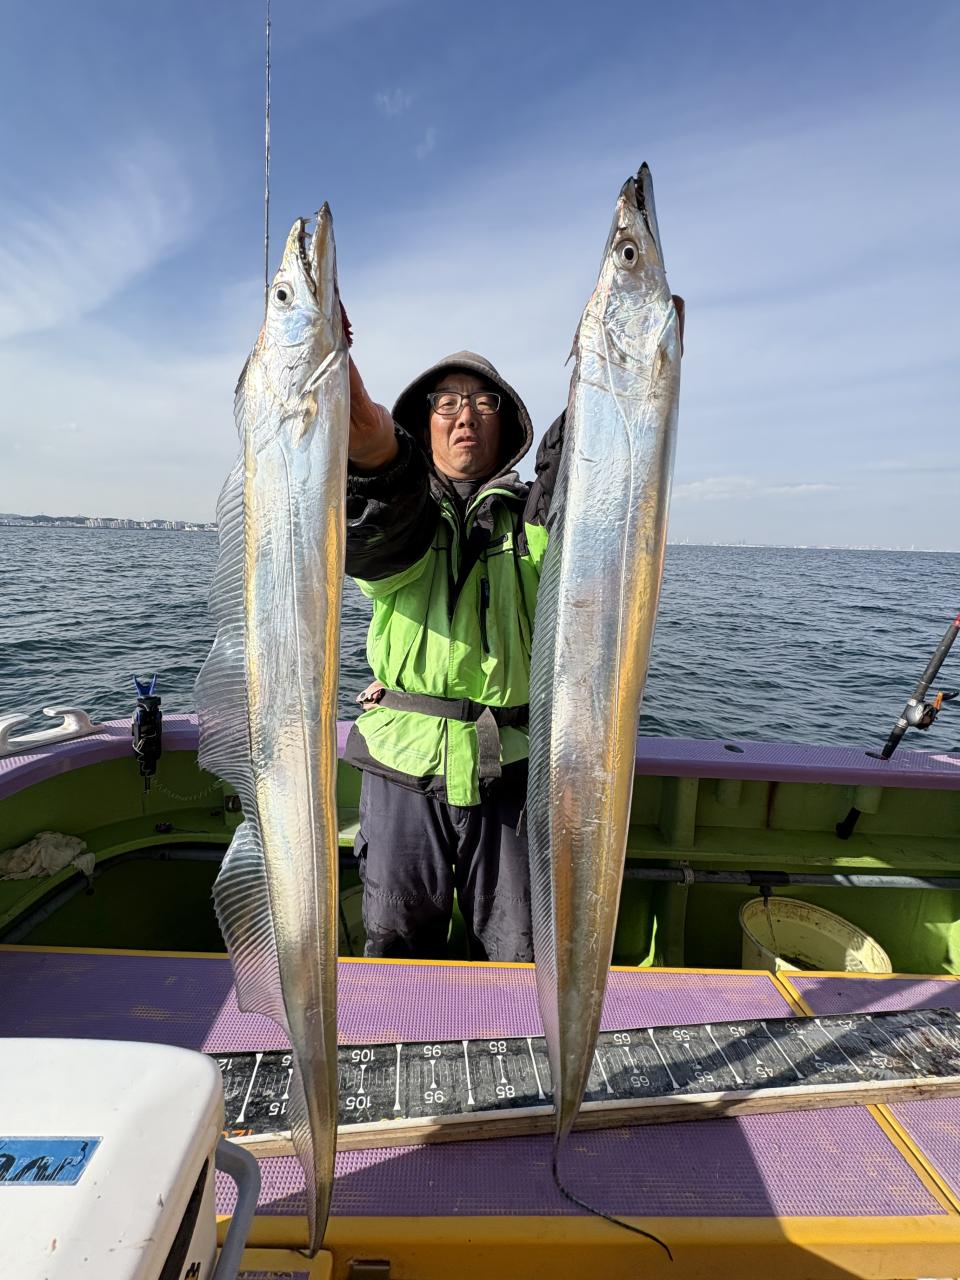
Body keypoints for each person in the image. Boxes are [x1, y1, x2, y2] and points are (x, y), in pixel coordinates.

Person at [343, 305, 683, 964]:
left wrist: (620, 355)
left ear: (506, 426)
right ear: (422, 425)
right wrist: (368, 441)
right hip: (402, 765)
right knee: (395, 941)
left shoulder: (536, 520)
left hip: (516, 767)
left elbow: (585, 466)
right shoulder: (400, 517)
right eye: (446, 403)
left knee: (518, 950)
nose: (465, 416)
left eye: (483, 402)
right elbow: (376, 513)